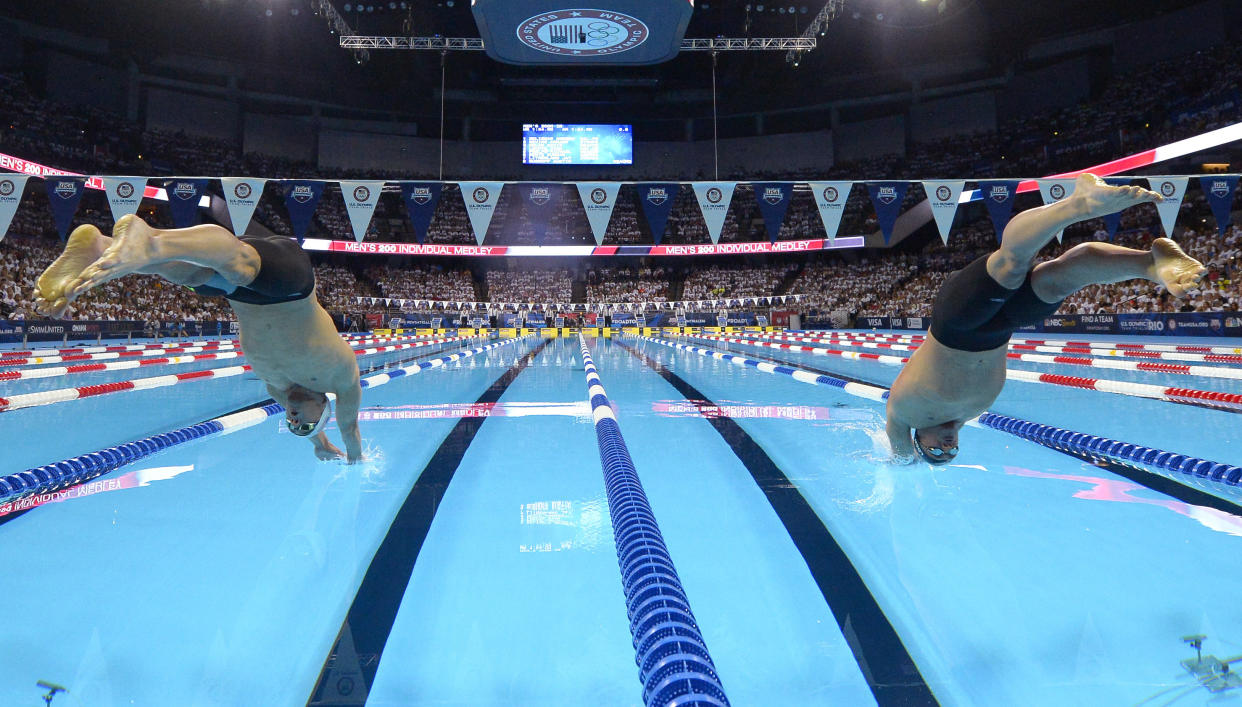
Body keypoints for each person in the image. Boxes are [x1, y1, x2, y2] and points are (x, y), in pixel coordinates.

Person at [886, 174, 1206, 465]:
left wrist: (906, 462)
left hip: (955, 324)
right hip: (1002, 328)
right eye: (952, 453)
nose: (947, 447)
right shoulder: (969, 413)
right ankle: (1150, 265)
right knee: (1059, 280)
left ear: (919, 441)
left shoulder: (906, 413)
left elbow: (898, 453)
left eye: (935, 451)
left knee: (1010, 266)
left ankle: (1076, 204)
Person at [32, 214, 364, 463]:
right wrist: (348, 456)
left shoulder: (276, 386)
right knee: (241, 267)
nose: (294, 421)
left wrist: (316, 443)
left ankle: (99, 246)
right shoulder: (339, 376)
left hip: (240, 294)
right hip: (290, 283)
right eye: (304, 424)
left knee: (186, 273)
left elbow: (303, 418)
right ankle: (151, 240)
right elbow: (348, 427)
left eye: (292, 425)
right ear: (323, 408)